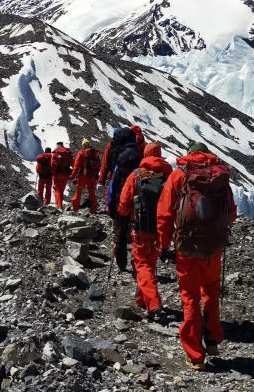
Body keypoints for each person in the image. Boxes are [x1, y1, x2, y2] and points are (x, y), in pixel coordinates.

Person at [157, 141, 237, 371]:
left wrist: (164, 245)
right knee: (210, 290)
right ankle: (212, 341)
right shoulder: (220, 176)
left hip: (187, 246)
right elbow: (231, 212)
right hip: (213, 247)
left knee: (190, 295)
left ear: (190, 154)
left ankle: (195, 355)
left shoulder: (180, 175)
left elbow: (164, 213)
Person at [117, 142, 172, 320]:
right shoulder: (168, 175)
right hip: (161, 228)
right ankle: (142, 299)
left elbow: (124, 203)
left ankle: (154, 305)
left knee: (142, 265)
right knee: (150, 263)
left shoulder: (137, 175)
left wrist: (122, 216)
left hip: (140, 227)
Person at [101, 126, 143, 271]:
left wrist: (110, 205)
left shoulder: (120, 158)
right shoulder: (141, 157)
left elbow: (113, 183)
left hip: (121, 201)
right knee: (137, 232)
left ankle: (121, 263)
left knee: (120, 232)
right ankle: (136, 261)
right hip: (139, 202)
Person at [70, 138, 101, 213]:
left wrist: (72, 176)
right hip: (92, 176)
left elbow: (76, 166)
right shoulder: (95, 153)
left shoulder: (81, 153)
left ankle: (75, 209)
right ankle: (93, 209)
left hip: (83, 176)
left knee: (78, 192)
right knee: (92, 193)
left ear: (83, 145)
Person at [50, 142, 74, 209]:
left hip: (57, 175)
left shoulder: (55, 153)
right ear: (62, 145)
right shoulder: (67, 152)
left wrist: (52, 171)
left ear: (57, 146)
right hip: (66, 174)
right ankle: (60, 205)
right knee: (61, 190)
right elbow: (73, 163)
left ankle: (59, 206)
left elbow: (52, 165)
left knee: (57, 190)